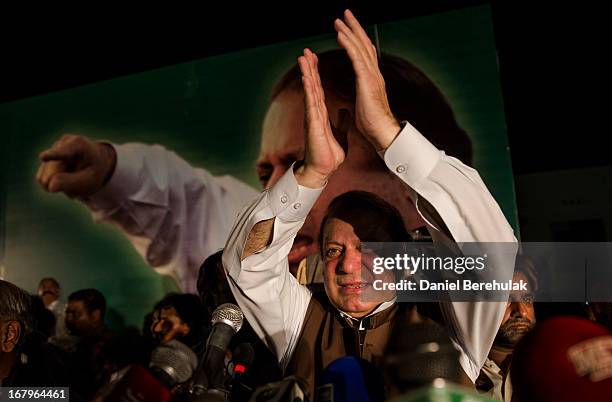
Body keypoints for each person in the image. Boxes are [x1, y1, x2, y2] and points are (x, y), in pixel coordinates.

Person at [35, 18, 472, 293]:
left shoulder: (465, 292)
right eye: (268, 170)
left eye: (303, 161)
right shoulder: (268, 277)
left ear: (401, 180)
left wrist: (393, 135)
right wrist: (112, 172)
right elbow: (191, 206)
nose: (281, 187)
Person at [222, 10, 516, 400]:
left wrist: (389, 135)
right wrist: (311, 172)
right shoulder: (300, 322)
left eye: (369, 248)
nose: (347, 265)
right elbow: (247, 264)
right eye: (333, 251)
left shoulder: (446, 320)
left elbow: (491, 251)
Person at [476, 256, 537, 402]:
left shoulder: (551, 364)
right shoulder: (463, 371)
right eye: (506, 300)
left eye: (527, 299)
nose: (521, 312)